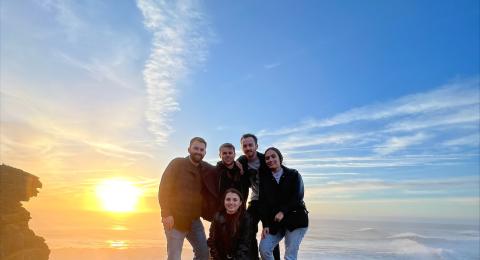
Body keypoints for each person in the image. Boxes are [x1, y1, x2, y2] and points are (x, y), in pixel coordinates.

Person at [158, 137, 210, 260]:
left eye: (201, 149)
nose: (198, 151)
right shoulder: (177, 163)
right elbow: (164, 188)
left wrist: (237, 165)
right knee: (174, 256)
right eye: (195, 148)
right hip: (174, 219)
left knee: (203, 254)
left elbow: (219, 169)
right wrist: (166, 213)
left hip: (194, 220)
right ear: (189, 149)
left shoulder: (204, 168)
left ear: (205, 152)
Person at [259, 147, 308, 260]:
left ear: (280, 158)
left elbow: (298, 196)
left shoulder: (293, 174)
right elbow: (263, 203)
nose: (270, 160)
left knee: (289, 256)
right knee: (264, 249)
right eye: (267, 158)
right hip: (276, 222)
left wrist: (283, 211)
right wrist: (265, 224)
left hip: (296, 219)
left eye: (273, 156)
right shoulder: (264, 180)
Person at [237, 134, 280, 260]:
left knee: (270, 234)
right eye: (245, 146)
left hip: (269, 202)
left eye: (250, 145)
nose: (248, 148)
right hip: (255, 201)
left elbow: (279, 171)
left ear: (256, 146)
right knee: (248, 230)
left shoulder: (265, 159)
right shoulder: (242, 161)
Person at [208, 188, 251, 260]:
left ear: (240, 203)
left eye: (235, 200)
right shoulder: (217, 217)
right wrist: (217, 257)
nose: (231, 202)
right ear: (224, 201)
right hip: (220, 257)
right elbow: (212, 241)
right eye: (228, 199)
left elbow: (245, 243)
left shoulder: (246, 218)